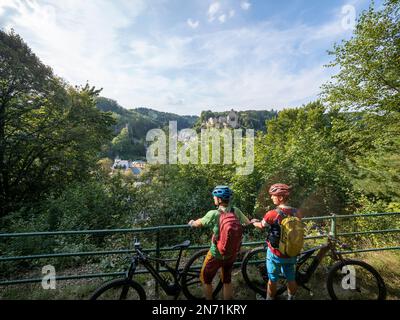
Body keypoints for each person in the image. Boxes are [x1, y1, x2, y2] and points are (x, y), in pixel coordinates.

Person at [188, 186, 251, 300]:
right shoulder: (235, 210)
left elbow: (198, 223)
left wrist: (192, 222)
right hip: (231, 254)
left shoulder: (213, 213)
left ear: (219, 200)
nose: (213, 198)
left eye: (214, 197)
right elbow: (247, 222)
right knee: (227, 280)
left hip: (216, 253)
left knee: (206, 278)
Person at [251, 183, 302, 300]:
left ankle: (269, 299)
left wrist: (253, 222)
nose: (271, 197)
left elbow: (261, 225)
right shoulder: (297, 212)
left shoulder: (272, 214)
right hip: (291, 251)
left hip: (276, 254)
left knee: (272, 279)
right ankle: (291, 298)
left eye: (273, 195)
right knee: (291, 278)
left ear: (281, 197)